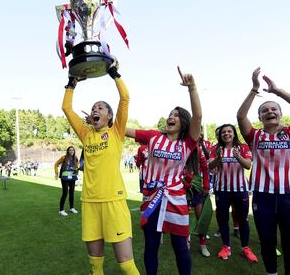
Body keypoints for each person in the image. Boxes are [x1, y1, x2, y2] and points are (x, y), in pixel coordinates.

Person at [62, 62, 139, 275]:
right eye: (94, 107)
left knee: (125, 265)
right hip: (89, 203)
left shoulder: (116, 132)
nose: (96, 109)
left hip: (113, 202)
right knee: (95, 267)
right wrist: (71, 83)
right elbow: (66, 109)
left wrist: (113, 73)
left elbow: (125, 99)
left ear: (109, 116)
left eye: (101, 107)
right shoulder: (86, 134)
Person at [126, 67, 202, 275]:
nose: (171, 117)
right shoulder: (152, 136)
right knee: (151, 245)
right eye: (170, 114)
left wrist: (192, 88)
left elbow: (198, 117)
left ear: (182, 122)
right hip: (151, 197)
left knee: (180, 247)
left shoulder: (188, 143)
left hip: (176, 199)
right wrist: (106, 122)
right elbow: (123, 129)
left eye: (176, 115)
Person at [237, 67, 290, 274]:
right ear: (260, 117)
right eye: (264, 110)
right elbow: (240, 116)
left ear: (280, 114)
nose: (269, 112)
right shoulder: (255, 136)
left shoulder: (288, 132)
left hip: (288, 196)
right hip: (262, 197)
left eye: (273, 109)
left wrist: (277, 92)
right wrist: (254, 89)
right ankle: (271, 272)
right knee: (267, 241)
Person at [208, 124, 258, 262]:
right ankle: (226, 247)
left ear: (234, 133)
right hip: (222, 190)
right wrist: (218, 158)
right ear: (220, 135)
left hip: (240, 189)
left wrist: (237, 156)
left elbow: (248, 165)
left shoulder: (242, 147)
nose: (226, 134)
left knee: (243, 219)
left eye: (229, 131)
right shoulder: (215, 148)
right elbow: (210, 167)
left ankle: (246, 248)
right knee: (223, 219)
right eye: (224, 132)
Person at [182, 143, 211, 257]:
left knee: (200, 216)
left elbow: (205, 168)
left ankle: (203, 244)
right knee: (185, 217)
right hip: (183, 189)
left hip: (197, 188)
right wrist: (183, 181)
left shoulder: (198, 150)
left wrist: (206, 186)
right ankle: (186, 241)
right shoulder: (178, 146)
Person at [54, 146, 79, 216]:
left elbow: (76, 166)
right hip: (65, 177)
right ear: (68, 151)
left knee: (72, 193)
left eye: (73, 150)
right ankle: (61, 210)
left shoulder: (75, 158)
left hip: (72, 177)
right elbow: (56, 164)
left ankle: (72, 208)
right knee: (65, 193)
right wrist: (56, 173)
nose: (71, 151)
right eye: (70, 150)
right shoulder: (64, 158)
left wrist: (76, 170)